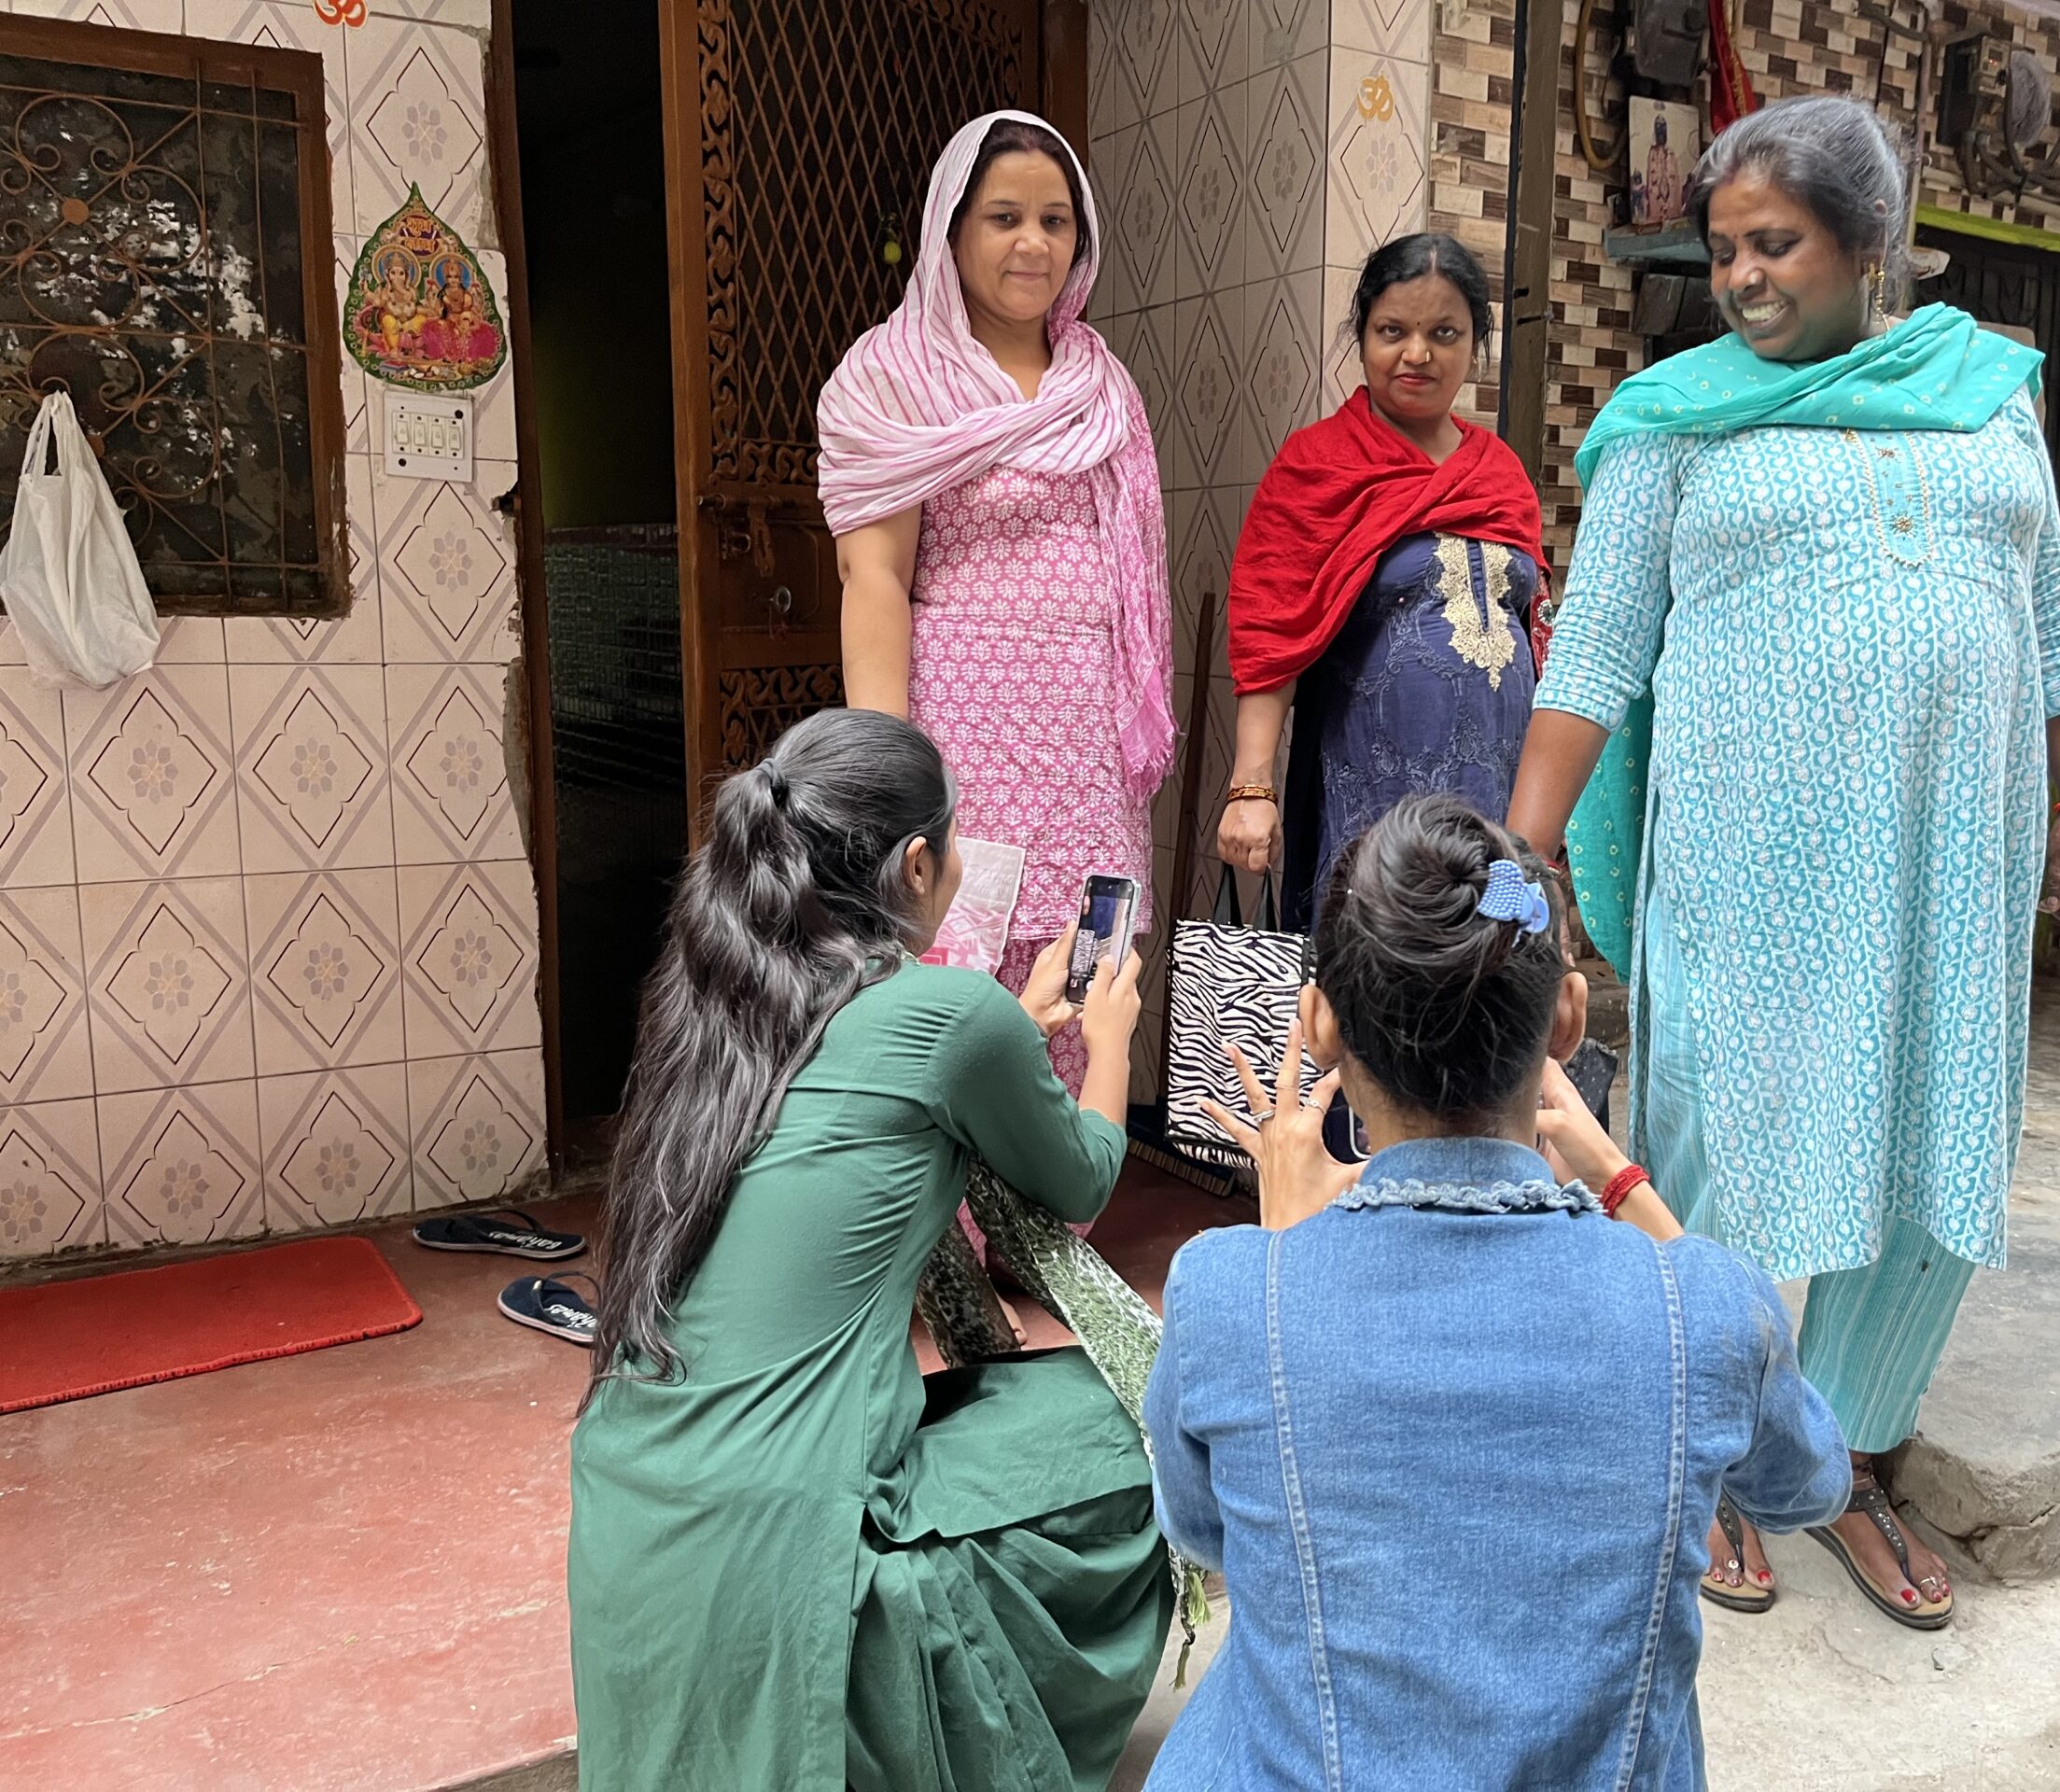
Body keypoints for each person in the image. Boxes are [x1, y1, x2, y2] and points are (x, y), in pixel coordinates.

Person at [1508, 96, 2060, 1630]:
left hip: (1952, 861)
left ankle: (1840, 1459)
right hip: (1748, 853)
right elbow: (1597, 644)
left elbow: (2044, 605)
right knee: (1713, 1130)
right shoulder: (1676, 417)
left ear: (1869, 250)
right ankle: (1710, 1448)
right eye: (1724, 250)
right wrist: (1523, 845)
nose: (1743, 278)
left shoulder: (1988, 395)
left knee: (1934, 1125)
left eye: (1773, 244)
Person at [1142, 793, 1849, 1789]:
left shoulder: (1224, 1294)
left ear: (1321, 1024)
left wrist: (1284, 1253)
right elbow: (1806, 1486)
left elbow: (1205, 1529)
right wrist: (1627, 1188)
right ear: (1565, 1018)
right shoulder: (1707, 1308)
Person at [568, 708, 1172, 1791]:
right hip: (789, 1517)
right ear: (917, 862)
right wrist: (1110, 1039)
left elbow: (860, 1098)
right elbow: (1077, 1176)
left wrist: (1010, 1032)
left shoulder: (709, 1007)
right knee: (1128, 1417)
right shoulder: (949, 1014)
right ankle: (956, 1726)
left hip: (635, 1494)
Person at [822, 111, 1171, 1101]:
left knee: (1085, 977)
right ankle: (952, 1244)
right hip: (959, 736)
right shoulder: (887, 376)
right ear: (951, 229)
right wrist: (887, 771)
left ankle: (1052, 1234)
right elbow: (876, 578)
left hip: (1088, 747)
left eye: (1057, 221)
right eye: (1004, 216)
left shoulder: (1100, 383)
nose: (1033, 244)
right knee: (951, 986)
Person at [1216, 231, 1549, 930]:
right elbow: (1269, 637)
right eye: (1393, 330)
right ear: (1361, 334)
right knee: (1373, 981)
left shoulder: (1503, 475)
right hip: (1370, 796)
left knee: (1490, 968)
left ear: (1475, 344)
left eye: (1444, 333)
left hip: (1499, 800)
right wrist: (1252, 786)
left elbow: (1539, 638)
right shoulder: (1316, 468)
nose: (1417, 353)